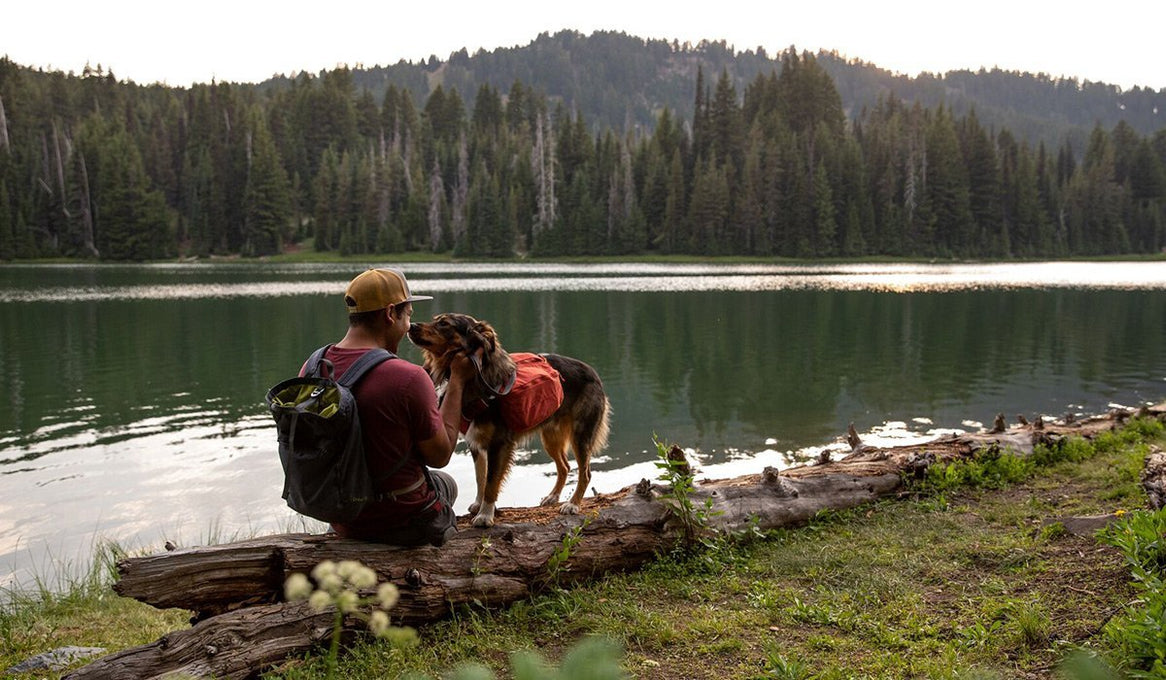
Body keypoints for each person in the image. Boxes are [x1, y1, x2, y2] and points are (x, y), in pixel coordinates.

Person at [308, 267, 473, 546]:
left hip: (342, 516)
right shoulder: (408, 377)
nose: (409, 325)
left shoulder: (314, 365)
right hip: (400, 521)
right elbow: (440, 454)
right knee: (447, 482)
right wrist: (457, 381)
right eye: (407, 315)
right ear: (389, 314)